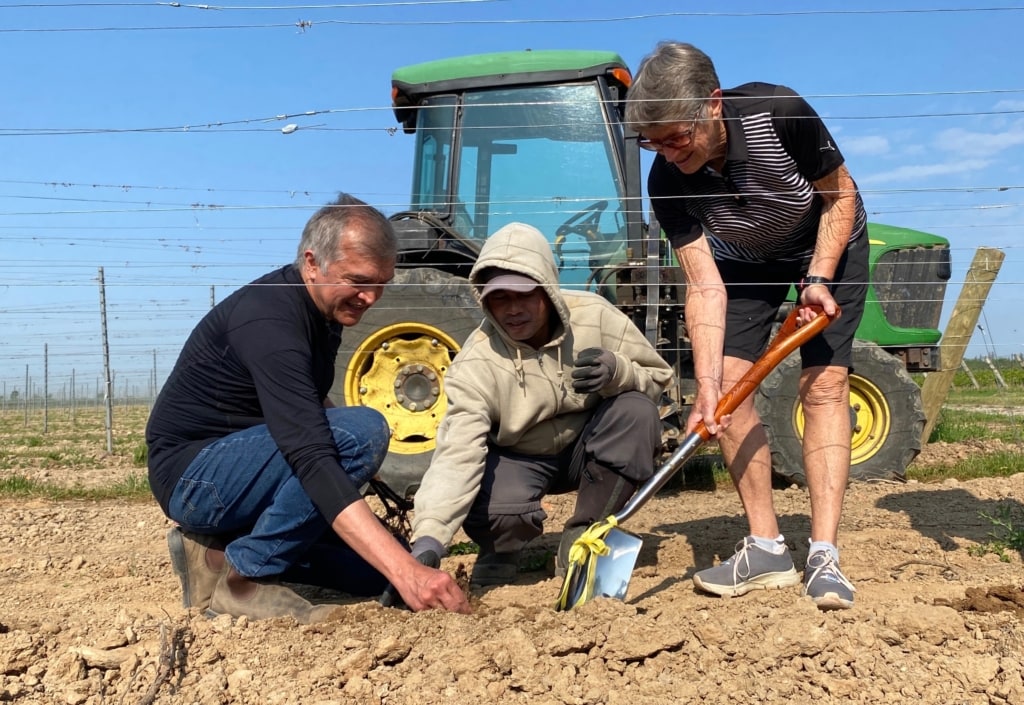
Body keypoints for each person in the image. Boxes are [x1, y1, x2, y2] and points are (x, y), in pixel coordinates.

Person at [146, 193, 470, 623]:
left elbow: (309, 399)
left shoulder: (323, 312)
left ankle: (213, 553)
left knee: (374, 575)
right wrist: (408, 571)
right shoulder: (269, 319)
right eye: (359, 280)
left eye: (382, 283)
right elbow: (312, 452)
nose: (371, 297)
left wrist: (364, 478)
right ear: (312, 263)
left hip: (245, 468)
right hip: (195, 477)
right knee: (363, 432)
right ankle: (245, 578)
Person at [624, 41, 869, 610]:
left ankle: (824, 556)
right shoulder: (666, 180)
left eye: (676, 138)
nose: (667, 154)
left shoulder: (779, 113)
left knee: (824, 385)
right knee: (729, 394)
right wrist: (707, 386)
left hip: (826, 242)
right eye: (652, 142)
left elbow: (840, 197)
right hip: (746, 258)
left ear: (712, 103)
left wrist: (818, 276)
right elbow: (704, 285)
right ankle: (766, 549)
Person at [407, 222, 675, 588]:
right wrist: (429, 542)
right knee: (498, 509)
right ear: (484, 300)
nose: (513, 309)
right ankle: (499, 550)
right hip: (519, 458)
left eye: (524, 295)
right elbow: (456, 454)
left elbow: (658, 381)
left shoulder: (596, 316)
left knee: (636, 411)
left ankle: (585, 537)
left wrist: (619, 373)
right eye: (500, 298)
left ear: (547, 290)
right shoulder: (476, 362)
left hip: (587, 447)